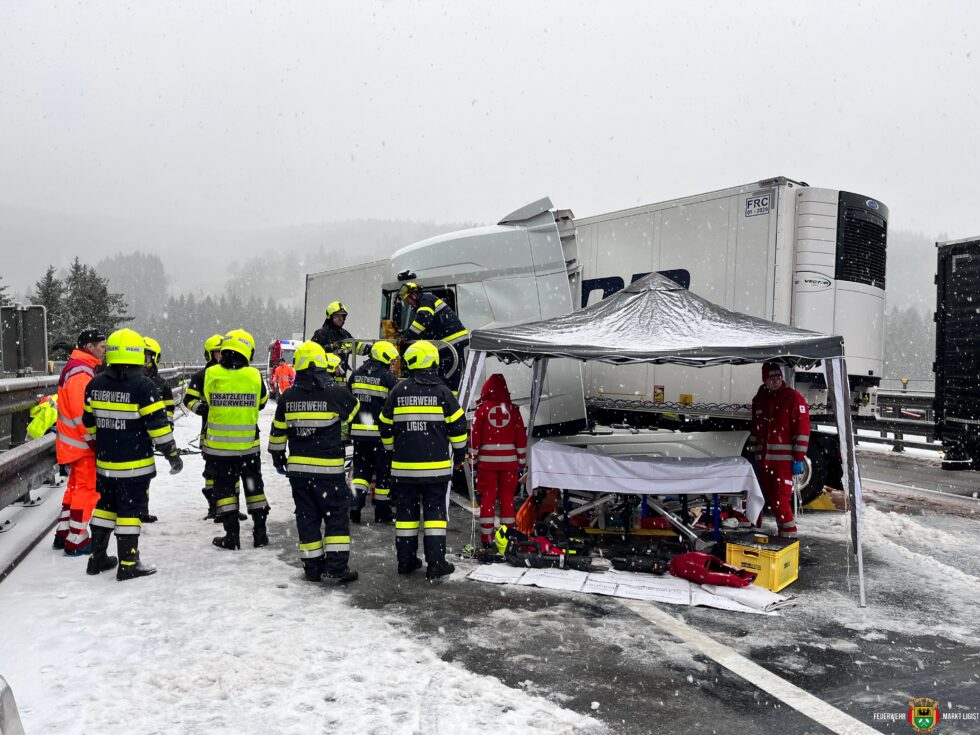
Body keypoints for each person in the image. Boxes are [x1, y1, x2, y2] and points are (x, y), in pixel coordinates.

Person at [82, 328, 183, 580]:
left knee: (105, 507)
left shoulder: (94, 384)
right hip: (134, 464)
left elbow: (88, 423)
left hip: (105, 463)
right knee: (129, 511)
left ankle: (96, 558)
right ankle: (128, 562)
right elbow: (159, 428)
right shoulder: (143, 386)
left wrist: (104, 443)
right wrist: (172, 454)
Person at [268, 341, 360, 584]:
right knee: (336, 518)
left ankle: (312, 568)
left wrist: (279, 458)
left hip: (298, 472)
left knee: (307, 519)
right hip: (329, 470)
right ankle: (336, 569)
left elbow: (277, 434)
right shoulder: (335, 392)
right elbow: (354, 411)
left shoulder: (288, 396)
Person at [379, 340, 468, 579]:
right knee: (434, 516)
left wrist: (391, 452)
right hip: (435, 470)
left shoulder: (398, 391)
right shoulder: (442, 392)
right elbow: (459, 427)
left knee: (406, 517)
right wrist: (459, 454)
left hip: (403, 469)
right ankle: (436, 563)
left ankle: (405, 561)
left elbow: (385, 426)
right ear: (433, 362)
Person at [202, 329, 271, 550]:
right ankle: (260, 534)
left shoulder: (211, 374)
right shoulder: (253, 376)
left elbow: (205, 401)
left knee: (225, 492)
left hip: (219, 450)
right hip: (248, 448)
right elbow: (262, 402)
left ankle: (232, 537)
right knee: (255, 489)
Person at [53, 328, 106, 555]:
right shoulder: (81, 372)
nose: (105, 351)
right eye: (101, 347)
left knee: (74, 488)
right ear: (89, 347)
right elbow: (81, 414)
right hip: (81, 444)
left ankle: (64, 532)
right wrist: (94, 440)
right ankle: (77, 539)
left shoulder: (77, 367)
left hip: (71, 442)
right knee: (87, 489)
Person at [746, 362, 811, 538]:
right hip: (763, 461)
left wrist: (798, 458)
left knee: (780, 500)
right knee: (760, 496)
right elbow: (755, 431)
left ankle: (789, 536)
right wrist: (752, 456)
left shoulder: (793, 398)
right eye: (771, 378)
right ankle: (756, 529)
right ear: (764, 380)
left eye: (778, 377)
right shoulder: (759, 400)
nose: (775, 381)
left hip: (783, 463)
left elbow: (802, 430)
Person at [469, 374, 527, 547]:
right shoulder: (513, 409)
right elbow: (521, 437)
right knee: (507, 498)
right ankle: (507, 537)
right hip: (509, 464)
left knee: (487, 498)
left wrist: (472, 459)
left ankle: (487, 537)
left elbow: (475, 436)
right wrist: (521, 461)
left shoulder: (481, 410)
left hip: (487, 464)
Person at [347, 340, 399, 524]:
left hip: (359, 433)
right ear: (384, 357)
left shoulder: (355, 375)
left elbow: (348, 402)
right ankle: (381, 512)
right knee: (383, 473)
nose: (393, 363)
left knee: (361, 471)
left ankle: (355, 504)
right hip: (381, 435)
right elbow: (395, 407)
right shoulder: (388, 378)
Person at [183, 333, 229, 520]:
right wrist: (202, 409)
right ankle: (212, 505)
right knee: (211, 470)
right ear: (210, 355)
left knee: (232, 472)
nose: (221, 357)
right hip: (209, 431)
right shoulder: (201, 376)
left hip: (232, 432)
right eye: (218, 353)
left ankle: (230, 507)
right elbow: (188, 399)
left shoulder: (234, 375)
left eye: (223, 353)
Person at [398, 282, 469, 396]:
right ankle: (449, 400)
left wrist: (407, 336)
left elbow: (423, 320)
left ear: (414, 294)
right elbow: (426, 327)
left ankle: (450, 401)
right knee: (448, 376)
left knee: (448, 376)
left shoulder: (426, 300)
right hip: (449, 343)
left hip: (452, 342)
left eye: (407, 299)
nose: (407, 302)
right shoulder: (424, 303)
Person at [139, 336, 174, 524]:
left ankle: (142, 510)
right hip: (131, 435)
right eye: (140, 356)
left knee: (145, 475)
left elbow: (169, 409)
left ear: (154, 358)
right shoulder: (128, 380)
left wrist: (167, 430)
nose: (143, 360)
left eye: (147, 356)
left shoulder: (162, 384)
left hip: (149, 437)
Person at [311, 301, 354, 377]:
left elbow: (355, 346)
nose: (340, 319)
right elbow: (312, 354)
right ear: (330, 316)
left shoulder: (345, 334)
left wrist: (372, 349)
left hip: (342, 381)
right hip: (325, 379)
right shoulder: (321, 334)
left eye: (342, 316)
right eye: (337, 316)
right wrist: (330, 347)